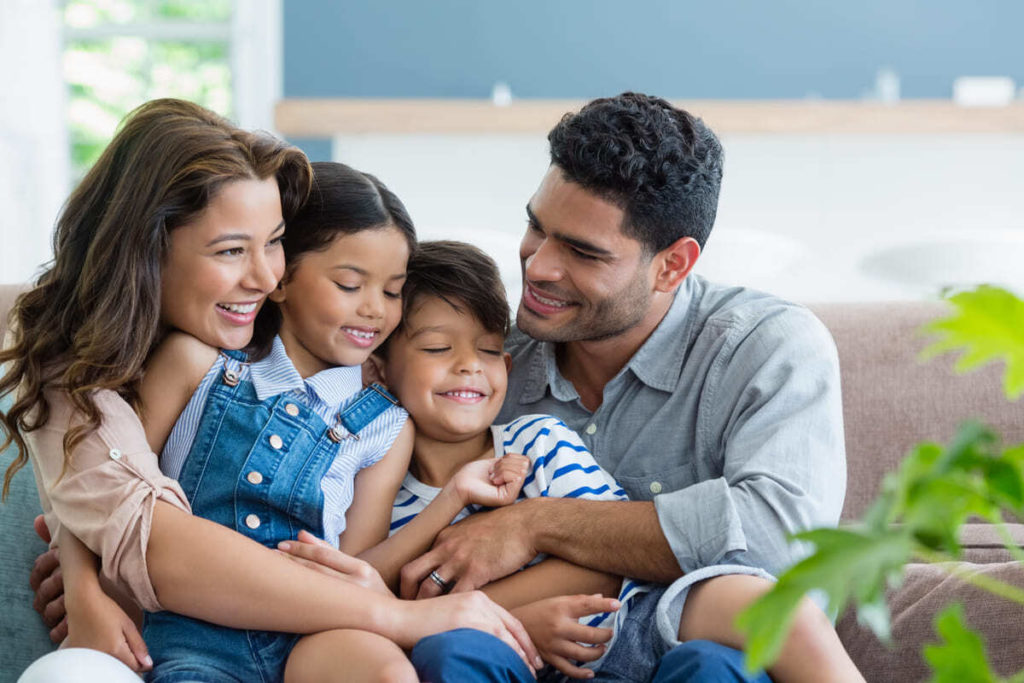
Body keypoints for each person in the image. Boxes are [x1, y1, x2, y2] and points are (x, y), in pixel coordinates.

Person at [2, 99, 537, 681]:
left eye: (274, 242)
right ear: (148, 250)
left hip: (309, 634)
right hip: (186, 632)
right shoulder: (173, 361)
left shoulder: (382, 420)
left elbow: (355, 563)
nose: (264, 275)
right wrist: (85, 581)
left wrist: (450, 500)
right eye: (233, 249)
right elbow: (111, 501)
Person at [394, 93, 848, 679]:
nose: (538, 266)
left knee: (716, 664)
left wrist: (536, 523)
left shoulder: (766, 348)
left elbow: (784, 542)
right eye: (537, 226)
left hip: (689, 653)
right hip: (529, 656)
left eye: (583, 252)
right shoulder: (484, 370)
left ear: (672, 265)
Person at [305, 239, 858, 682]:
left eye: (492, 350)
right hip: (507, 650)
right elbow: (366, 589)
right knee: (455, 655)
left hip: (630, 626)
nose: (472, 367)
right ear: (377, 368)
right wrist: (452, 505)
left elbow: (611, 559)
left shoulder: (535, 442)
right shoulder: (381, 483)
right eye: (435, 350)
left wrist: (521, 547)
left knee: (740, 638)